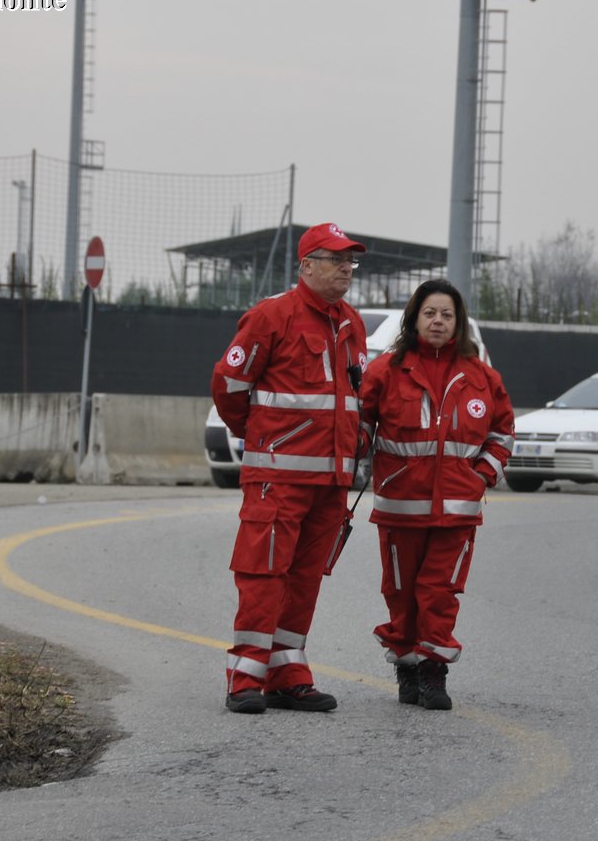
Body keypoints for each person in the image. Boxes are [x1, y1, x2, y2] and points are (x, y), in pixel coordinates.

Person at [210, 222, 369, 714]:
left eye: (351, 261)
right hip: (278, 478)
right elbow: (229, 386)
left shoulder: (352, 323)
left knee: (305, 578)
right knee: (263, 574)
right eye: (336, 259)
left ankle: (287, 672)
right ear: (306, 266)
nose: (346, 268)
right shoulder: (271, 316)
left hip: (332, 482)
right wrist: (264, 440)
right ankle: (244, 677)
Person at [357, 280, 513, 710]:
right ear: (414, 319)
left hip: (458, 511)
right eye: (430, 313)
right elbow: (360, 425)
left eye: (447, 314)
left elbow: (502, 433)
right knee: (402, 592)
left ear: (458, 323)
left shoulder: (482, 377)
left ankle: (432, 672)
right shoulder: (385, 370)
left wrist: (480, 476)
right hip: (399, 508)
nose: (438, 321)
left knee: (439, 591)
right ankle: (406, 667)